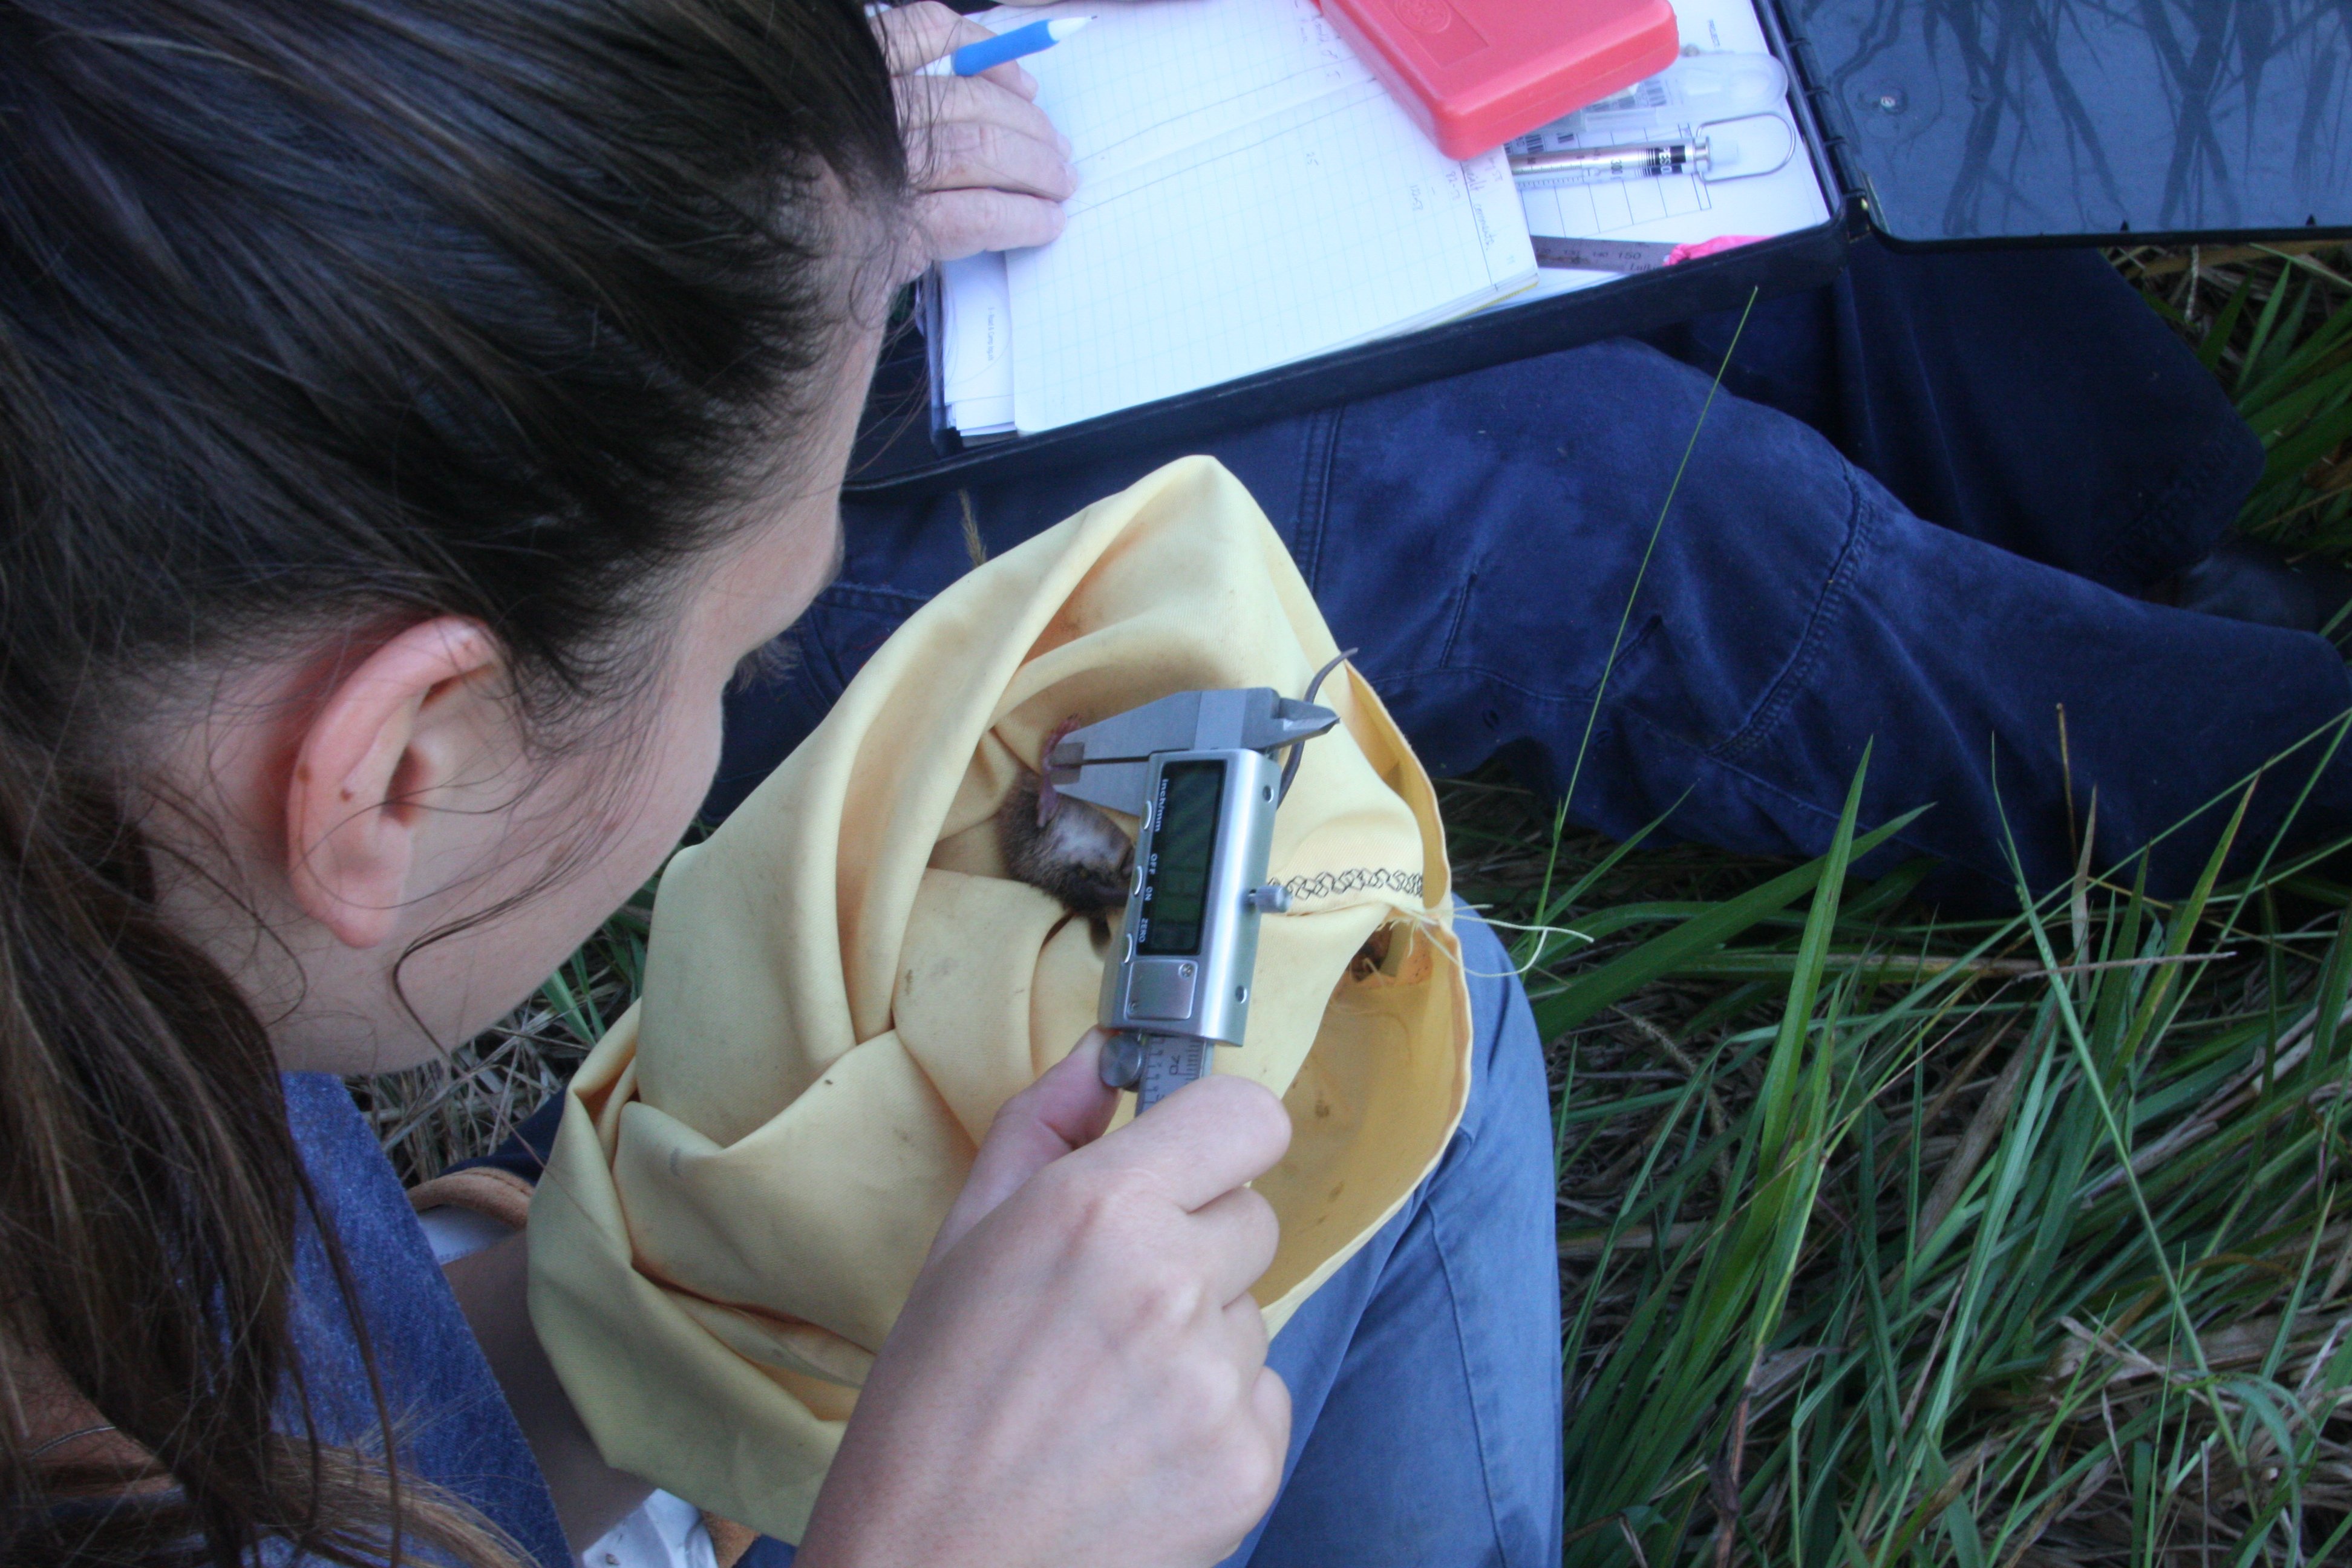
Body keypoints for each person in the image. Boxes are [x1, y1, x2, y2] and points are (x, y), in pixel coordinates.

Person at [0, 4, 1558, 1568]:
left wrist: (668, 1328)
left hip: (457, 1390)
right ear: (402, 769)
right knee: (1436, 1030)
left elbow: (330, 1410)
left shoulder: (102, 892)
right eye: (744, 657)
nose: (744, 694)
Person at [705, 18, 2352, 913]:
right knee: (1549, 483)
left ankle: (2150, 561)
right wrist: (749, 191)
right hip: (681, 453)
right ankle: (2256, 785)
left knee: (1737, 79)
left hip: (847, 109)